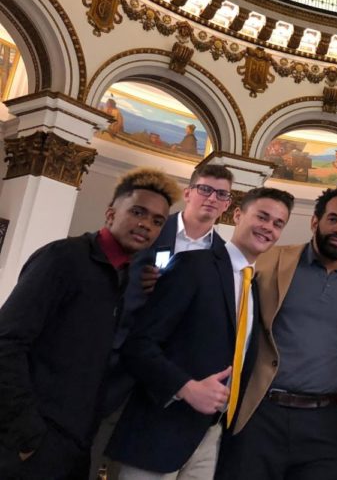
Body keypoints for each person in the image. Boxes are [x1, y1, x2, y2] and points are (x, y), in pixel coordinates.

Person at [0, 168, 178, 480]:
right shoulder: (64, 258)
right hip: (30, 445)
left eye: (156, 221)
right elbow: (6, 342)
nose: (146, 225)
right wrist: (25, 432)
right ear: (111, 214)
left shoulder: (125, 279)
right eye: (138, 212)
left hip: (75, 447)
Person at [106, 187, 294, 479]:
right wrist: (186, 387)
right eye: (263, 216)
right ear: (238, 214)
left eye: (277, 223)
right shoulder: (193, 265)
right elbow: (139, 344)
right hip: (160, 431)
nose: (268, 227)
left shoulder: (255, 288)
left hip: (213, 437)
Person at [220, 187, 337, 479]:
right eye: (333, 219)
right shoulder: (269, 261)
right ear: (315, 222)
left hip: (326, 423)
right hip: (261, 414)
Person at [92, 164, 236, 478]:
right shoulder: (150, 226)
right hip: (115, 369)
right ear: (189, 193)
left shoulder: (224, 258)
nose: (212, 198)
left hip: (165, 388)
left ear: (228, 204)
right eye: (205, 189)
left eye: (221, 194)